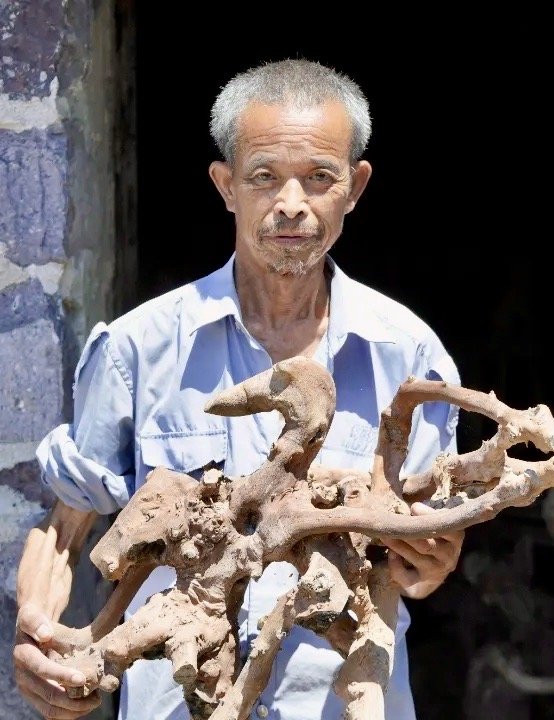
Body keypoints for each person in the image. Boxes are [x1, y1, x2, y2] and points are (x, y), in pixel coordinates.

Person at [12, 58, 464, 720]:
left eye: (319, 178)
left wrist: (434, 558)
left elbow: (421, 565)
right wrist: (38, 632)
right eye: (263, 177)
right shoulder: (140, 348)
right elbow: (63, 531)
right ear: (226, 186)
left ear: (356, 185)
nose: (291, 204)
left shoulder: (410, 356)